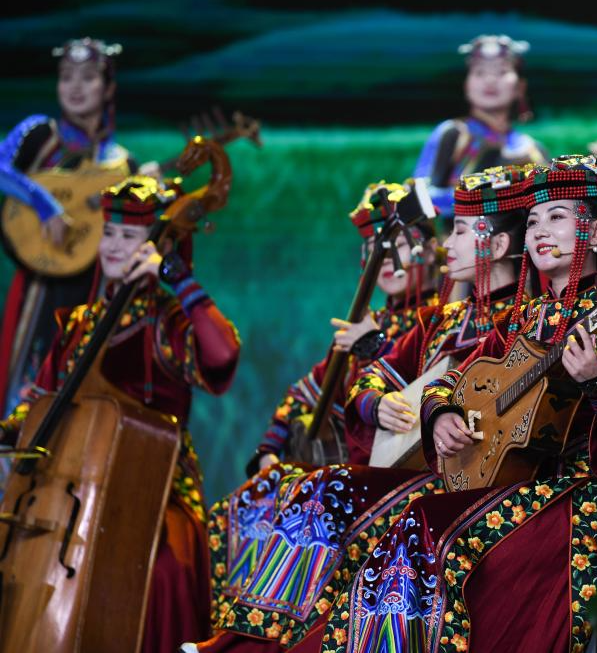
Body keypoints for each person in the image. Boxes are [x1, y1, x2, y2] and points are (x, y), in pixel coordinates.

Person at [322, 155, 597, 653]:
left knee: (425, 526)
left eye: (557, 217)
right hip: (515, 484)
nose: (540, 231)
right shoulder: (523, 318)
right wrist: (441, 413)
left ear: (593, 231)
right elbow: (451, 379)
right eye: (533, 221)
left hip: (580, 498)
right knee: (409, 527)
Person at [186, 165, 533, 652]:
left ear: (496, 245)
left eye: (457, 231)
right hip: (419, 466)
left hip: (473, 475)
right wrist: (376, 402)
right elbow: (359, 381)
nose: (446, 245)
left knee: (327, 490)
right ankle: (249, 637)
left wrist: (398, 377)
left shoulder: (523, 319)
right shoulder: (445, 318)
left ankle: (252, 644)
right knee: (273, 496)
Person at [1, 174, 241, 652]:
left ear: (155, 246)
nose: (113, 245)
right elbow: (40, 400)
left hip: (153, 488)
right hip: (69, 489)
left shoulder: (166, 321)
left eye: (129, 236)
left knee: (163, 568)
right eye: (108, 233)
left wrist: (177, 278)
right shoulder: (79, 323)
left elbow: (222, 355)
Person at [0, 38, 156, 414]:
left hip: (88, 288)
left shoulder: (123, 164)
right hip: (36, 280)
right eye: (67, 76)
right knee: (20, 379)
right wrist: (45, 205)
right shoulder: (40, 135)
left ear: (109, 87)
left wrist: (151, 197)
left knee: (72, 385)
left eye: (87, 77)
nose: (75, 86)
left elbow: (131, 238)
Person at [248, 182, 441, 476]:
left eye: (398, 246)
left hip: (411, 468)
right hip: (350, 468)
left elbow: (429, 385)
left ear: (428, 251)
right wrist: (268, 451)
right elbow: (307, 392)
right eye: (375, 250)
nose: (385, 260)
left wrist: (375, 344)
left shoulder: (442, 316)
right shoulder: (367, 322)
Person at [414, 35, 547, 222]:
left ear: (520, 87)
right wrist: (486, 193)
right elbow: (420, 197)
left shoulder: (531, 149)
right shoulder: (454, 134)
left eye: (502, 72)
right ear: (466, 85)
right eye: (479, 73)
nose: (490, 80)